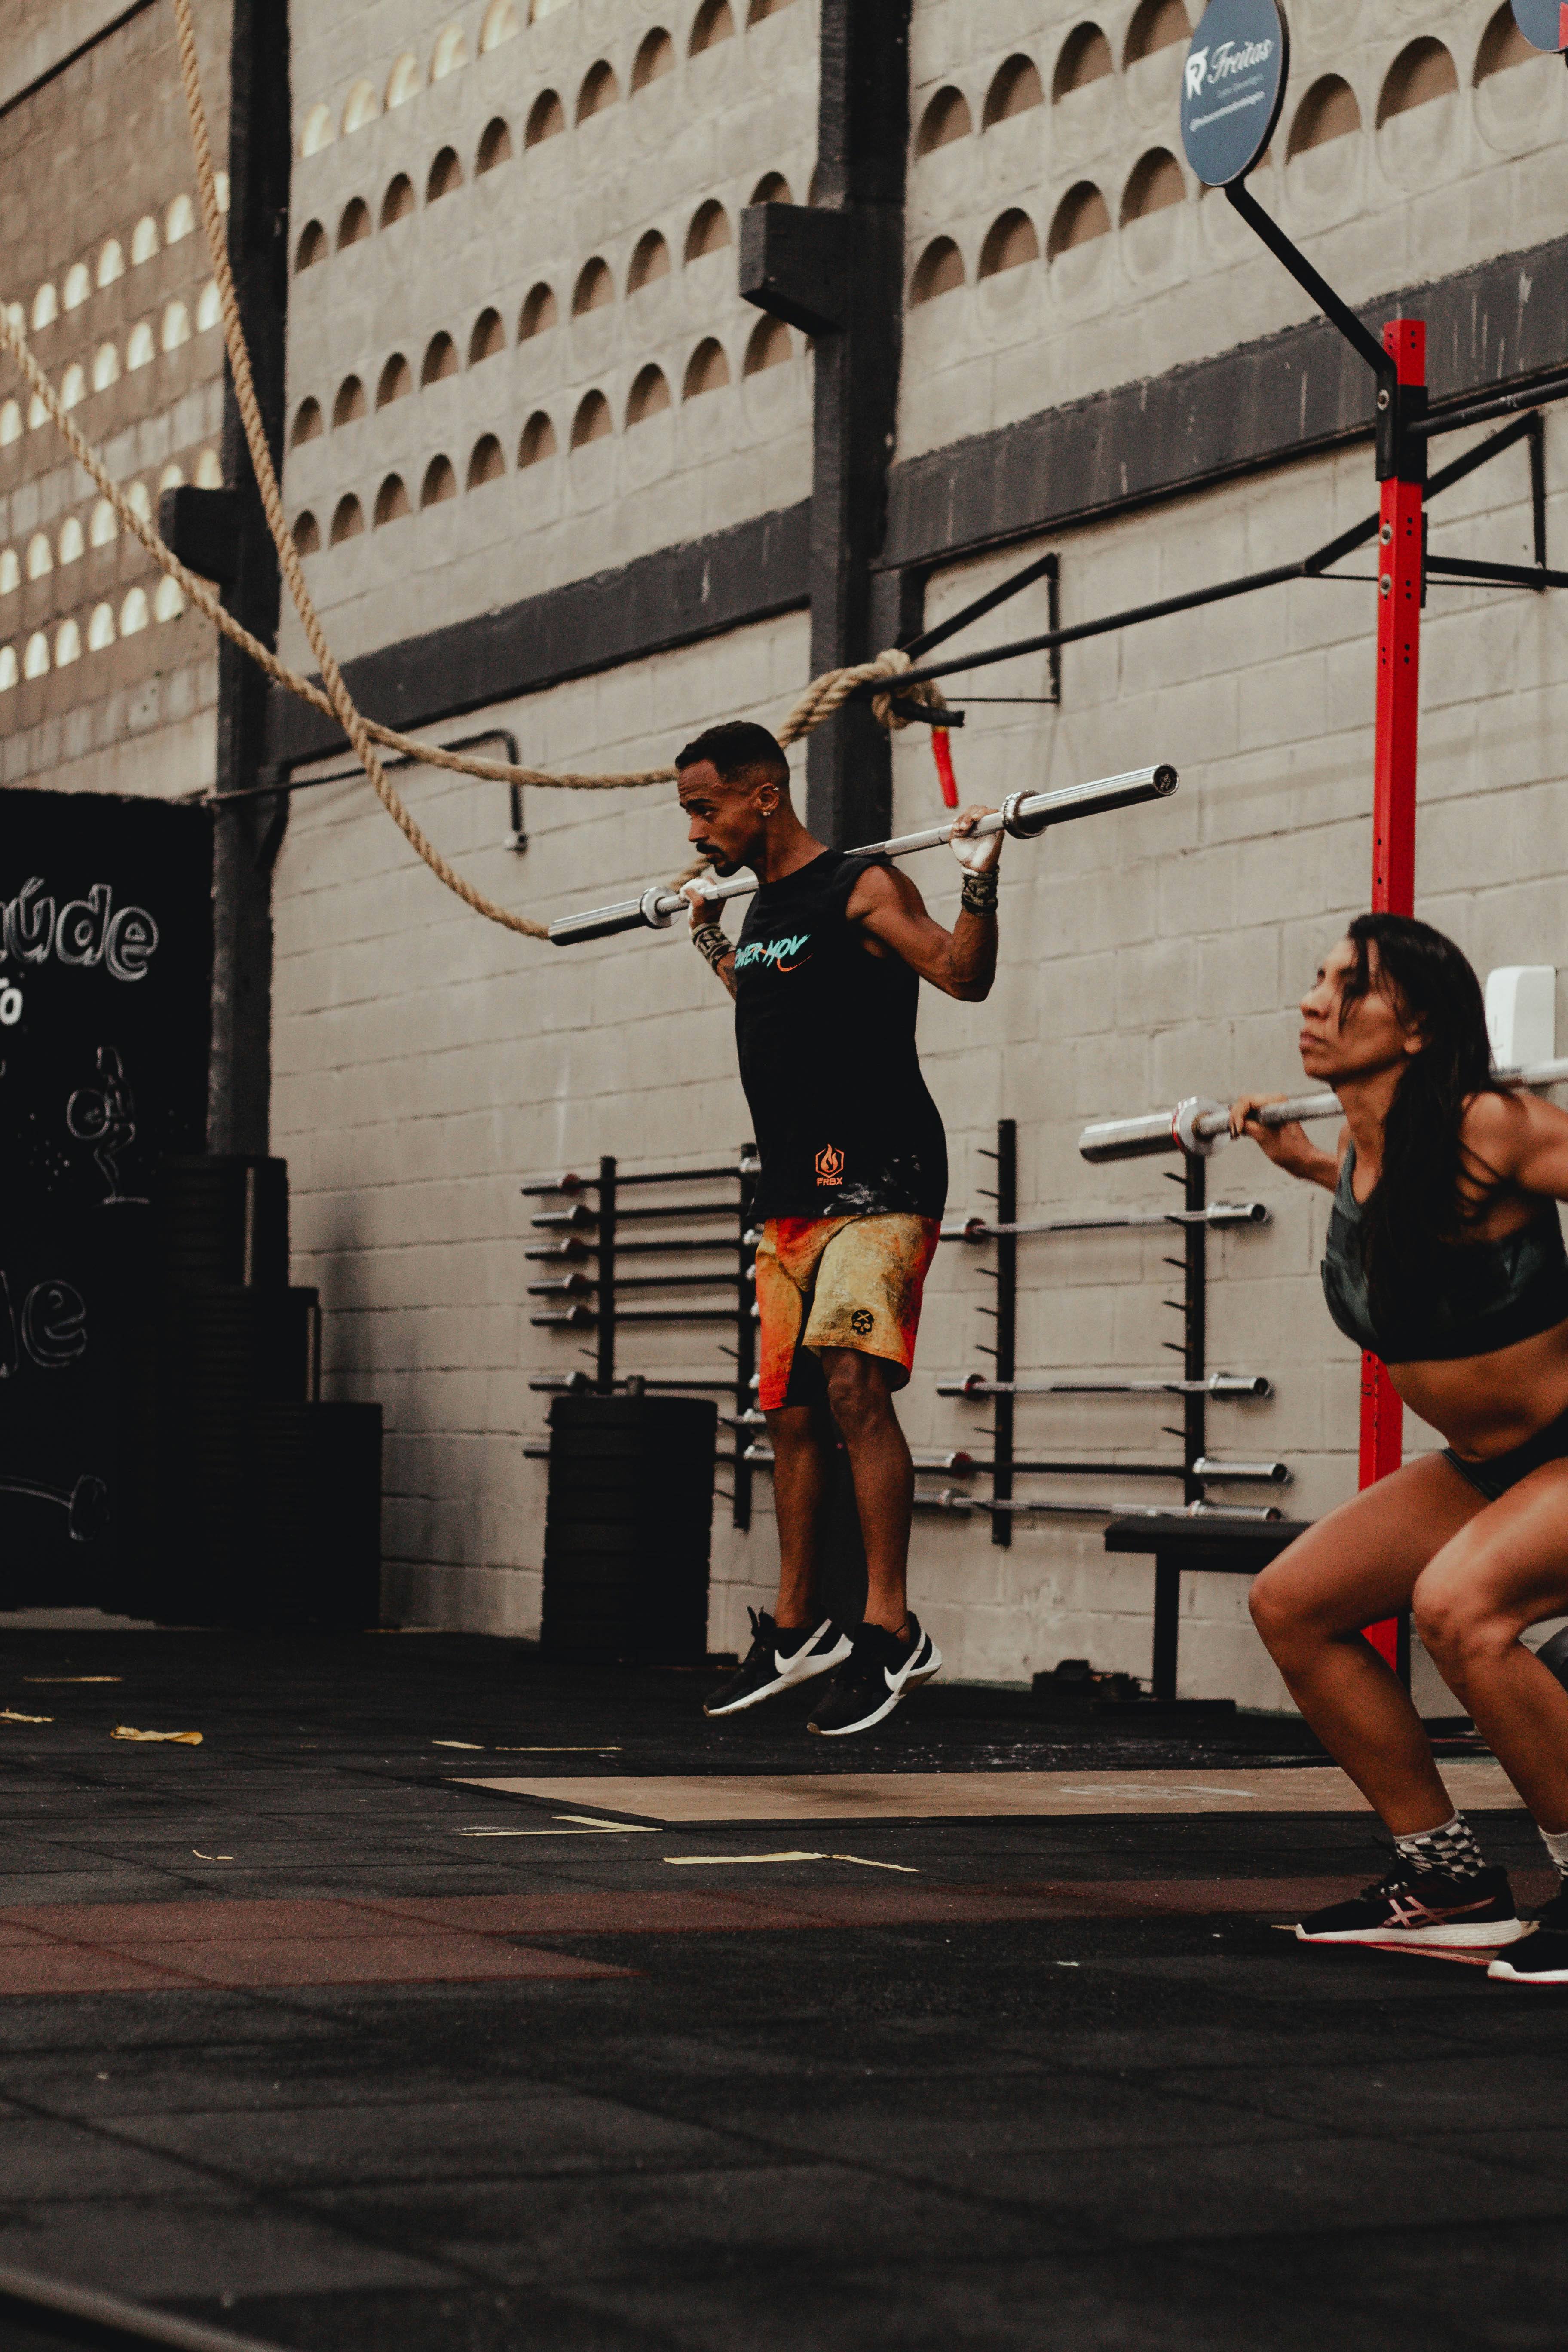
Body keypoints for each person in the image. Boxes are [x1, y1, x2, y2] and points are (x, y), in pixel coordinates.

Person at [1229, 912, 1568, 1984]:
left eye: (1350, 988)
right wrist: (1306, 1164)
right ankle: (1450, 1878)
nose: (1314, 1003)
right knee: (1295, 1604)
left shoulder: (1495, 1124)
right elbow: (1427, 1229)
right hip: (1487, 1466)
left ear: (1417, 1028)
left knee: (1460, 1612)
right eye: (1318, 982)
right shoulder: (1370, 1156)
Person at [674, 720, 1001, 1737]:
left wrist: (979, 880)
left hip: (883, 1177)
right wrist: (709, 941)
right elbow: (774, 1001)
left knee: (855, 1383)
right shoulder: (764, 905)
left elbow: (961, 975)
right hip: (792, 1193)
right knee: (791, 1410)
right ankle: (796, 1628)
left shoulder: (863, 887)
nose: (695, 832)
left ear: (763, 796)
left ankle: (891, 1630)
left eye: (705, 807)